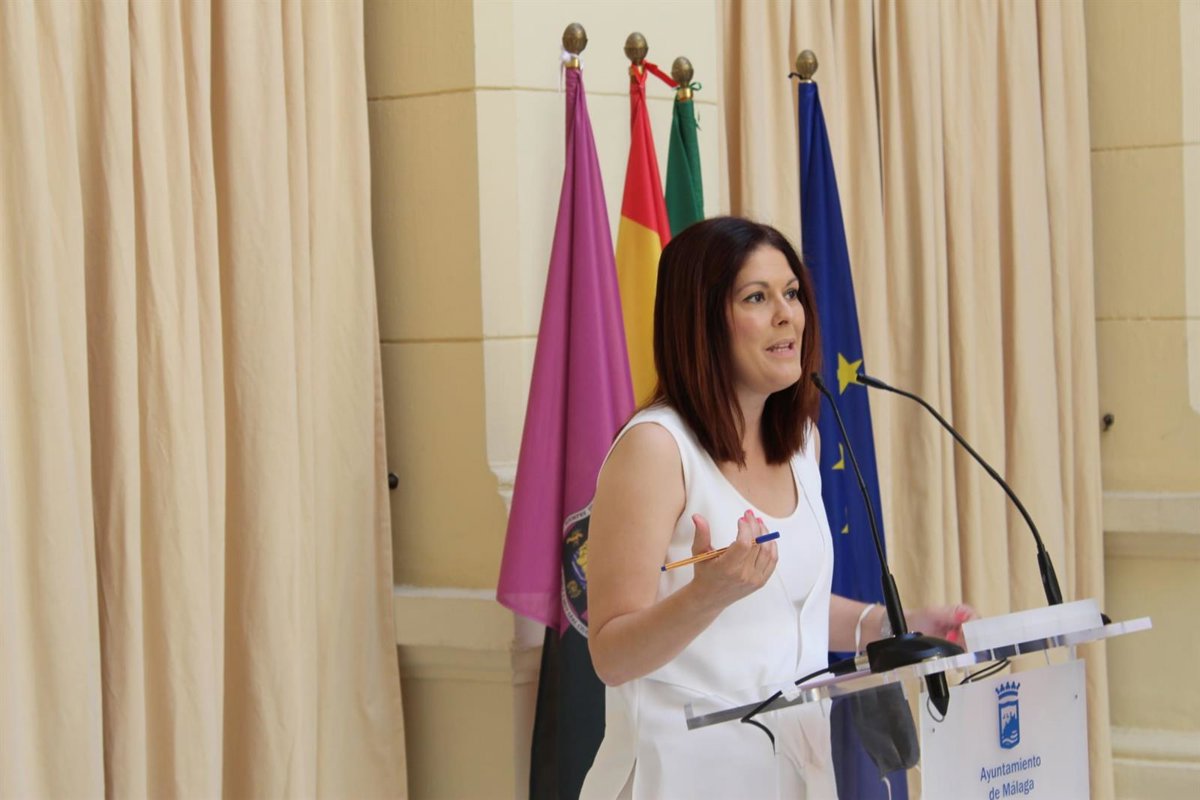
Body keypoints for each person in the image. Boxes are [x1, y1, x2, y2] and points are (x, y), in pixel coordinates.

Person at [579, 217, 973, 800]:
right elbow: (611, 655)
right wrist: (706, 595)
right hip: (683, 779)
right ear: (701, 321)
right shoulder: (656, 450)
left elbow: (784, 605)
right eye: (756, 298)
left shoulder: (800, 442)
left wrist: (892, 625)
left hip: (794, 772)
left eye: (791, 293)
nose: (787, 314)